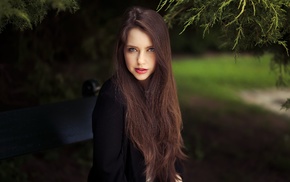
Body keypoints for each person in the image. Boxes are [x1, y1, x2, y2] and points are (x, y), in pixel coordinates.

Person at [87, 6, 186, 182]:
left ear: (162, 51)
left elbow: (172, 155)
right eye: (132, 49)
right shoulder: (113, 97)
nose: (141, 60)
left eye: (150, 49)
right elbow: (108, 171)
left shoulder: (162, 90)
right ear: (122, 51)